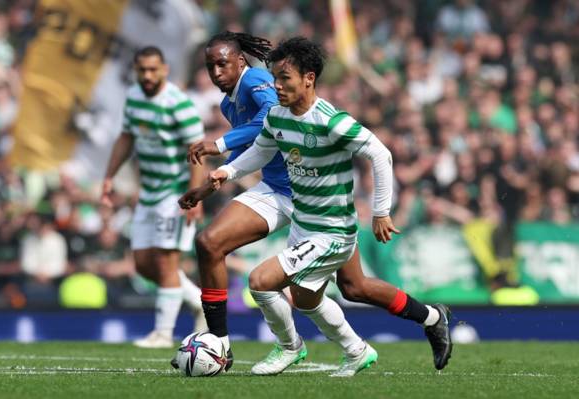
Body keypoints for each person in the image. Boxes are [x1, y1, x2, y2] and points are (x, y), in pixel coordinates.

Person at [183, 32, 452, 372]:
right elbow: (261, 151)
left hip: (332, 227)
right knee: (348, 290)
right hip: (301, 216)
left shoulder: (330, 120)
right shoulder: (277, 117)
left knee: (262, 282)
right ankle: (422, 320)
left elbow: (380, 154)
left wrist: (381, 212)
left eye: (283, 79)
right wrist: (227, 172)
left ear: (308, 79)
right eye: (276, 78)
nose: (275, 85)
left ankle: (287, 347)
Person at [101, 46, 206, 348]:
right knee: (144, 264)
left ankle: (162, 333)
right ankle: (198, 301)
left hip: (175, 193)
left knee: (166, 262)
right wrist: (109, 177)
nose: (147, 75)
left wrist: (194, 197)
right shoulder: (134, 97)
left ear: (165, 69)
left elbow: (198, 153)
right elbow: (126, 137)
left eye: (153, 69)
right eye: (142, 70)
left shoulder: (179, 104)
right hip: (148, 192)